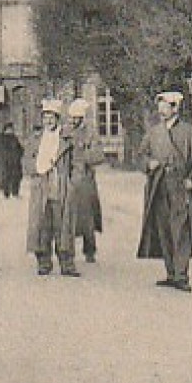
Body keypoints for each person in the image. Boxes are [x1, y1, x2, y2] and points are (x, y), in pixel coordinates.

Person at [138, 90, 192, 292]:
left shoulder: (188, 132)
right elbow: (141, 155)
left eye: (165, 106)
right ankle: (170, 272)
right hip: (158, 186)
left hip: (179, 185)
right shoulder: (153, 132)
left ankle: (181, 275)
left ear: (175, 108)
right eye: (159, 106)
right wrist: (148, 164)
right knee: (164, 230)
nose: (161, 110)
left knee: (181, 230)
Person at [26, 99, 79, 276]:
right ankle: (43, 262)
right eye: (45, 117)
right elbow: (26, 161)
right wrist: (36, 168)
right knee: (41, 224)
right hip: (41, 187)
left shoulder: (67, 138)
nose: (48, 121)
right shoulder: (35, 139)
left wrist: (72, 183)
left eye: (51, 117)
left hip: (60, 185)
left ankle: (67, 263)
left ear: (58, 119)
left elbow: (77, 163)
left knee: (62, 225)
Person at [66, 97, 107, 264]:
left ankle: (89, 250)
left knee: (87, 216)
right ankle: (67, 249)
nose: (74, 121)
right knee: (68, 215)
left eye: (77, 118)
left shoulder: (91, 133)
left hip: (85, 179)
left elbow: (98, 155)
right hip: (68, 177)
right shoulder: (66, 132)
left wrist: (84, 153)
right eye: (72, 118)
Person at [0, 122, 25, 198]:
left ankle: (15, 192)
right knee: (6, 177)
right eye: (9, 129)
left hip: (15, 162)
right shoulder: (1, 139)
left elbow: (20, 149)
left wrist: (18, 156)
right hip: (5, 162)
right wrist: (1, 159)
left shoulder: (14, 138)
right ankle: (6, 193)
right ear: (5, 129)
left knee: (16, 177)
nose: (10, 130)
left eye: (11, 129)